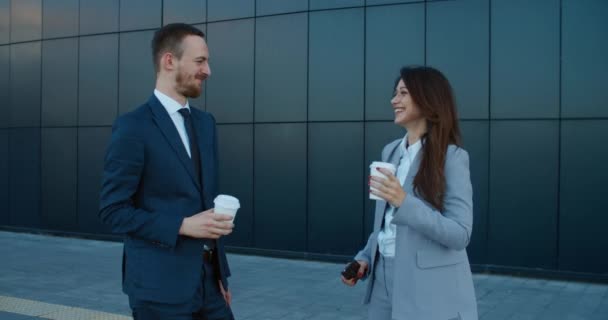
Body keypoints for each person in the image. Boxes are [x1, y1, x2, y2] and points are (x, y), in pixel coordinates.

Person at [99, 23, 235, 320]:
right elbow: (113, 210)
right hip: (158, 291)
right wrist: (182, 225)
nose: (208, 71)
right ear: (169, 61)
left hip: (209, 288)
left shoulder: (206, 124)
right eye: (200, 61)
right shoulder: (133, 127)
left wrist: (220, 278)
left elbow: (205, 203)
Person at [342, 66, 478, 320]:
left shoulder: (452, 158)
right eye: (395, 93)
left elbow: (460, 234)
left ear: (428, 99)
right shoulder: (390, 152)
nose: (394, 100)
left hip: (427, 286)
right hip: (383, 279)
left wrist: (404, 202)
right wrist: (365, 259)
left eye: (403, 93)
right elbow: (385, 226)